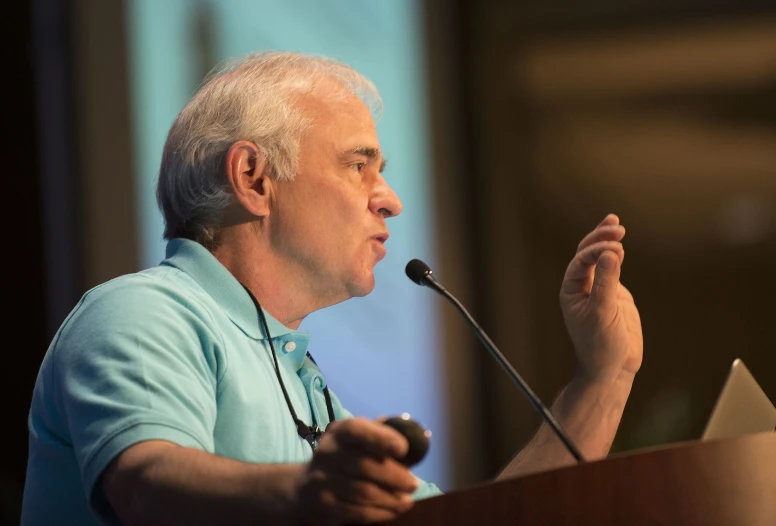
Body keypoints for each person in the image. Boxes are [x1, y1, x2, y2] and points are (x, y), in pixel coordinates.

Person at [21, 52, 643, 526]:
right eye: (357, 165)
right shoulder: (140, 313)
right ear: (253, 177)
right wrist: (306, 493)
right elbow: (147, 484)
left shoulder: (295, 374)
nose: (391, 201)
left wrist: (604, 377)